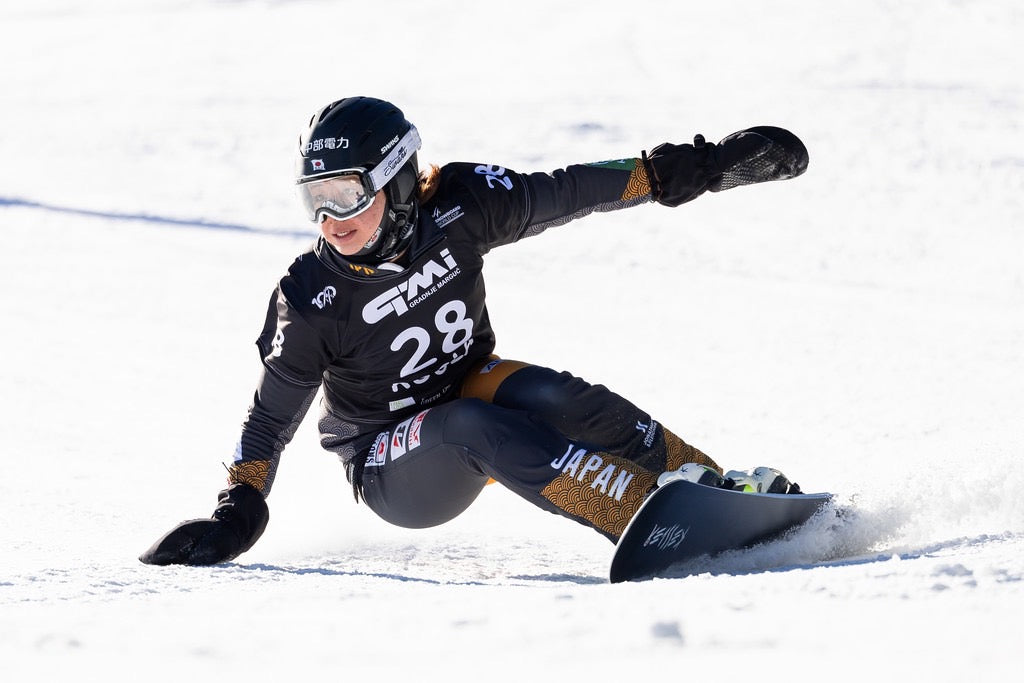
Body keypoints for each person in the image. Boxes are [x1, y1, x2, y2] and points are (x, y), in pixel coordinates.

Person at [139, 97, 810, 566]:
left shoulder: (460, 204)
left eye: (345, 194)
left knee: (551, 394)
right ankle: (642, 515)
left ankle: (713, 490)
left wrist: (681, 171)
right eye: (314, 198)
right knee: (469, 422)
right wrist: (238, 511)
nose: (330, 219)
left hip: (467, 389)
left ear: (399, 181)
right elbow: (268, 420)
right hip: (389, 463)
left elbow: (566, 190)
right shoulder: (311, 296)